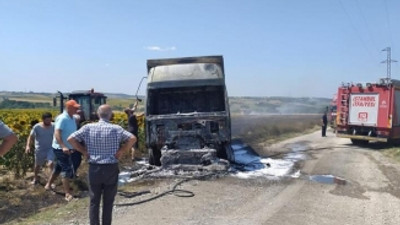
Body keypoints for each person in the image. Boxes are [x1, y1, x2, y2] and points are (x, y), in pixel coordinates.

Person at [68, 104, 136, 225]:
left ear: (98, 114)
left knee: (94, 200)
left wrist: (84, 151)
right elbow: (132, 138)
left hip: (95, 167)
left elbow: (70, 139)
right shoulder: (116, 128)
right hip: (111, 167)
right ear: (110, 115)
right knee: (108, 201)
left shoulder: (88, 127)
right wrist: (121, 151)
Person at [45, 100, 80, 202]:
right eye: (75, 107)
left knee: (58, 167)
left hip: (69, 147)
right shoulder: (62, 118)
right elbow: (57, 133)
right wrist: (63, 146)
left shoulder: (72, 118)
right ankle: (67, 194)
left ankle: (48, 185)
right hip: (60, 148)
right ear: (68, 107)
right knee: (67, 169)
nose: (77, 109)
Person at [25, 112, 55, 185]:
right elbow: (31, 137)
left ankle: (51, 182)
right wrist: (28, 146)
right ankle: (35, 178)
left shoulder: (54, 126)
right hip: (40, 148)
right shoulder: (37, 127)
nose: (49, 122)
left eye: (50, 120)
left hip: (50, 148)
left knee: (51, 164)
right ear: (43, 120)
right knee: (38, 165)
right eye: (47, 120)